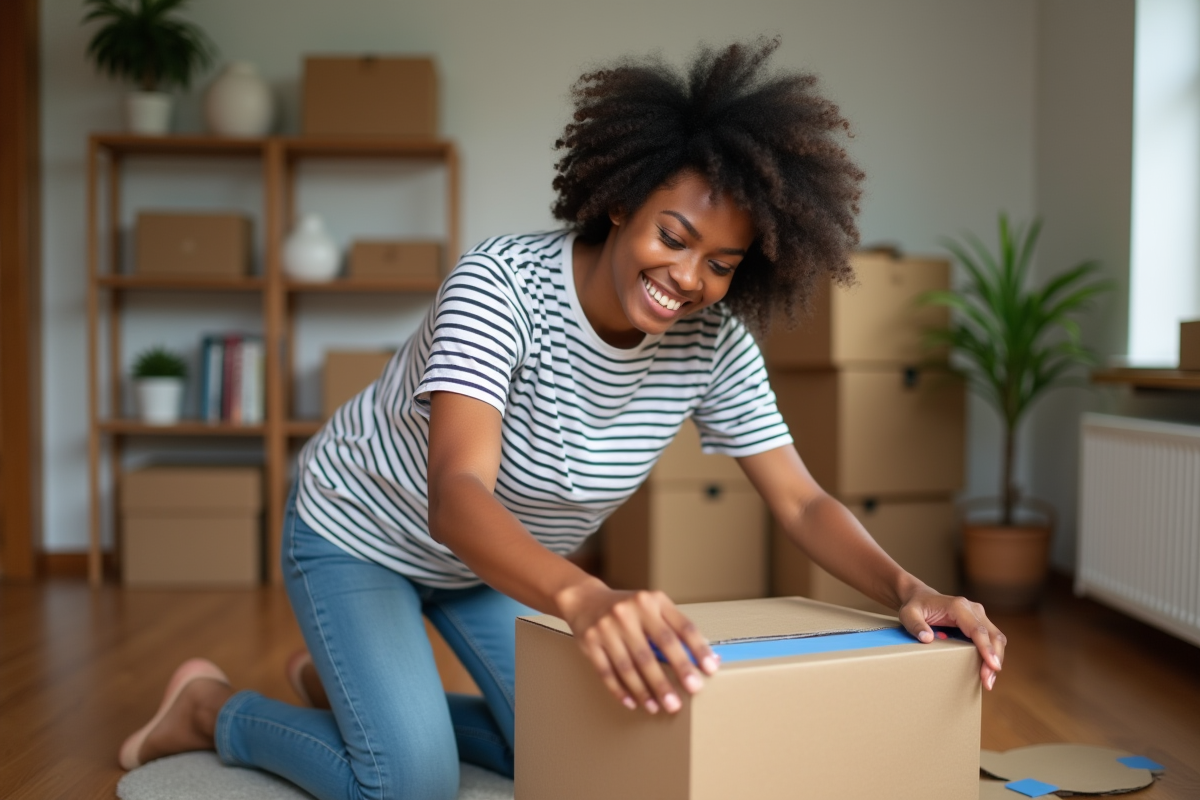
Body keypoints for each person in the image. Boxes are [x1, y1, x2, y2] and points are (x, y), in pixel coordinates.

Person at [118, 38, 1006, 800]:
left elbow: (803, 503)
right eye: (674, 235)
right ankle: (209, 710)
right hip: (360, 534)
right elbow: (457, 495)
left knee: (575, 746)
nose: (689, 277)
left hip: (492, 568)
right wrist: (585, 597)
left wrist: (908, 589)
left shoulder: (712, 344)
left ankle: (346, 688)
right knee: (406, 783)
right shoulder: (498, 288)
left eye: (722, 262)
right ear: (620, 200)